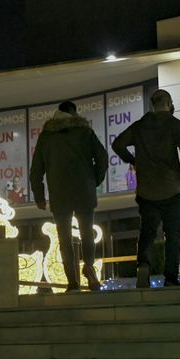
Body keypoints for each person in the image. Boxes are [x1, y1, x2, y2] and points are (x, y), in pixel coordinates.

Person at [112, 89, 180, 288]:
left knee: (147, 232)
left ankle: (144, 266)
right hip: (171, 188)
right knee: (173, 234)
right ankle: (171, 278)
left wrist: (133, 161)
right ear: (169, 104)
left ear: (152, 105)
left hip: (147, 191)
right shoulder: (176, 125)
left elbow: (117, 144)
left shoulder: (140, 126)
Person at [29, 101, 108, 291]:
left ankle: (72, 282)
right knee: (87, 233)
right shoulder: (85, 132)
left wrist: (39, 196)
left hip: (59, 193)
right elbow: (103, 158)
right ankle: (89, 268)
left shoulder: (47, 137)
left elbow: (36, 170)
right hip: (84, 191)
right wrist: (94, 180)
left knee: (64, 239)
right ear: (73, 113)